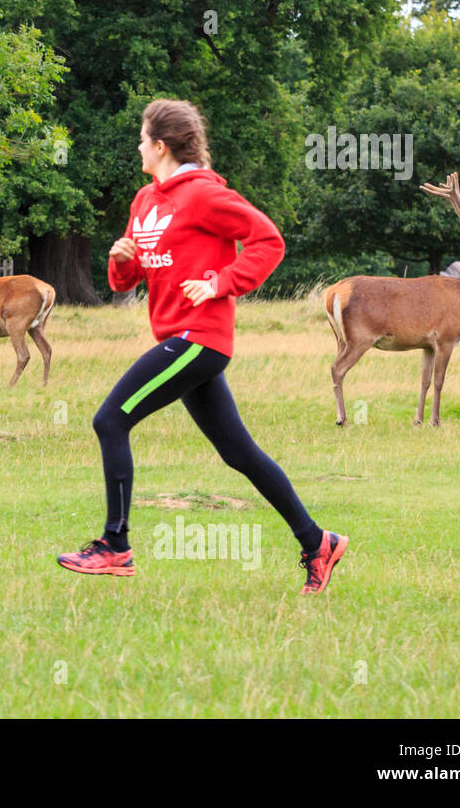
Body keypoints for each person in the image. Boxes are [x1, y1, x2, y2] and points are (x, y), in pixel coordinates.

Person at [56, 99, 348, 594]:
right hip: (175, 337)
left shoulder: (205, 197)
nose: (138, 146)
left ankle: (115, 546)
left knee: (110, 420)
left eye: (143, 138)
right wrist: (121, 258)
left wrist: (221, 283)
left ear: (161, 145)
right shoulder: (145, 201)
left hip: (200, 339)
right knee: (238, 451)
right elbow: (127, 280)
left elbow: (268, 241)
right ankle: (317, 541)